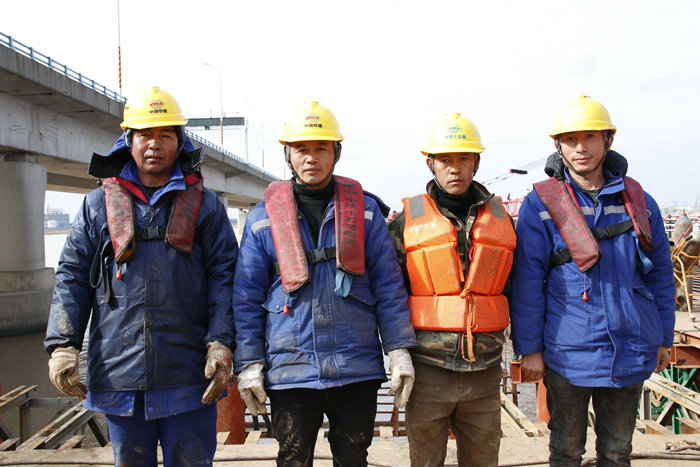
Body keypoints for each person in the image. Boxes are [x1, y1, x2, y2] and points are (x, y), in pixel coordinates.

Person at [44, 86, 237, 466]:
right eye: (145, 134)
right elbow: (72, 277)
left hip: (190, 374)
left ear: (179, 141)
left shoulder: (206, 205)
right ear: (128, 140)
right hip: (119, 374)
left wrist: (221, 343)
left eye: (165, 135)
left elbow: (225, 277)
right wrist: (63, 346)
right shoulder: (97, 205)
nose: (154, 144)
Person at [233, 100, 417, 466]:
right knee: (292, 457)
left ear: (336, 153)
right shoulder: (261, 218)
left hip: (355, 366)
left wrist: (398, 350)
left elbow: (388, 286)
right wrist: (249, 362)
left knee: (353, 457)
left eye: (321, 148)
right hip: (290, 370)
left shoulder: (366, 212)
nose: (311, 158)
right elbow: (246, 298)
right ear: (288, 154)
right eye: (301, 148)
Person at [510, 95, 675, 466]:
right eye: (570, 139)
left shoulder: (639, 201)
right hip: (568, 353)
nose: (580, 147)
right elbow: (528, 283)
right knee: (566, 451)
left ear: (608, 140)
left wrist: (664, 338)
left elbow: (661, 275)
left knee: (617, 452)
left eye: (590, 137)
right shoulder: (542, 204)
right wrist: (530, 349)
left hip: (630, 348)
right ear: (559, 146)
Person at [388, 113, 516, 467]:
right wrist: (397, 352)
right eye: (445, 159)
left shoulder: (502, 221)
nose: (455, 168)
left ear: (476, 162)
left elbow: (515, 287)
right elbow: (390, 293)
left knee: (483, 460)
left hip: (485, 370)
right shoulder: (406, 223)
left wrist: (529, 346)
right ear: (431, 163)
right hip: (428, 370)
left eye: (463, 158)